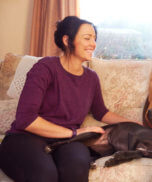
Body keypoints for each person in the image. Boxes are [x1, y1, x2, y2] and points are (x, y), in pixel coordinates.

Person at [0, 16, 139, 182]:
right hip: (25, 138)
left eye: (94, 39)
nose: (93, 44)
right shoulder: (45, 68)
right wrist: (74, 132)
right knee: (45, 175)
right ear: (67, 40)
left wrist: (134, 124)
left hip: (67, 141)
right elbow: (25, 119)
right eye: (87, 38)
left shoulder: (91, 78)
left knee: (76, 168)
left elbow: (101, 112)